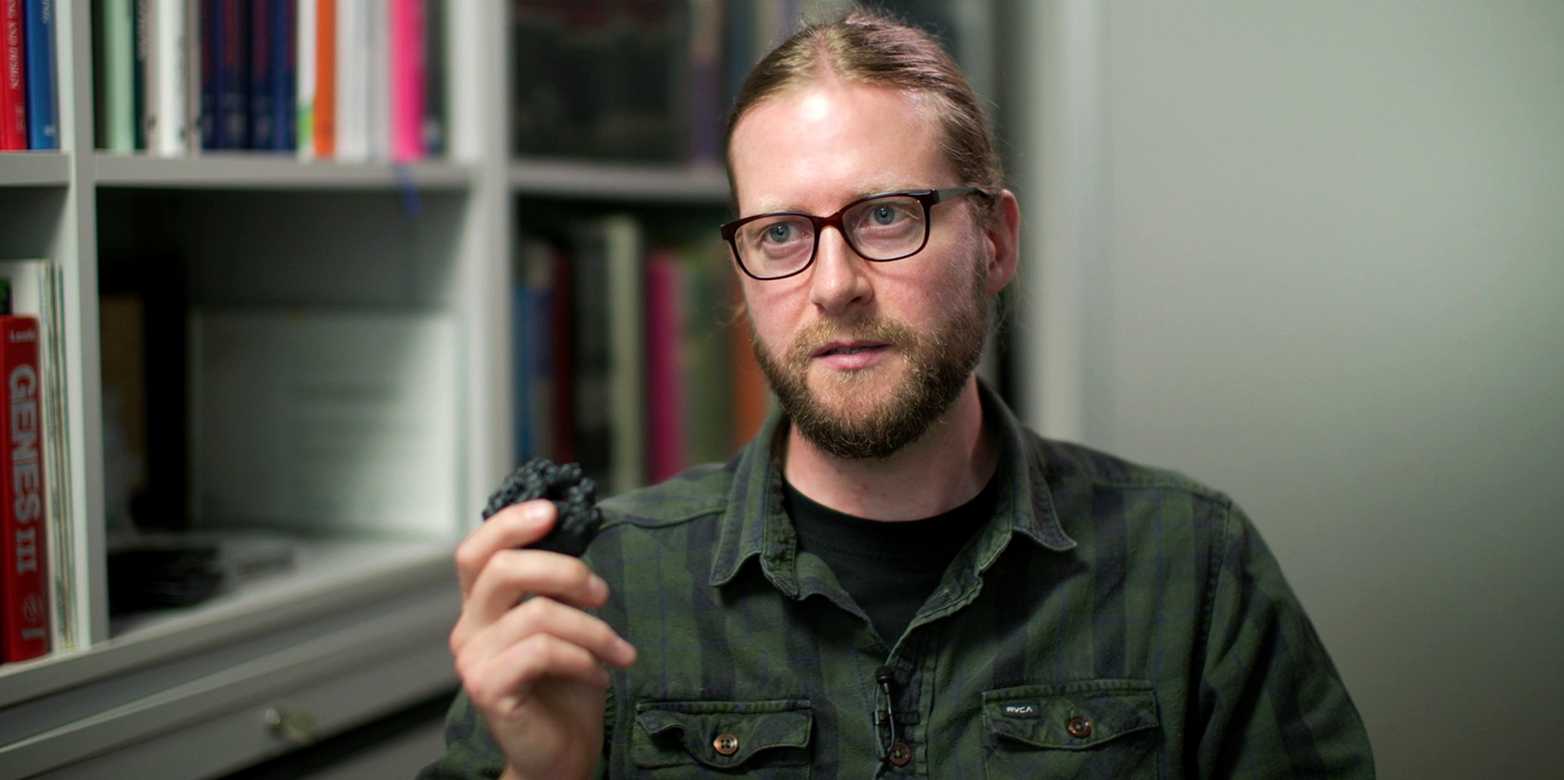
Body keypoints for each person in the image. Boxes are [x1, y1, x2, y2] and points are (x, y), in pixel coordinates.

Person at [423, 10, 1374, 779]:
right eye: (782, 233)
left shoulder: (1194, 566)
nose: (832, 284)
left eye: (886, 215)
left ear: (995, 242)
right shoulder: (607, 591)